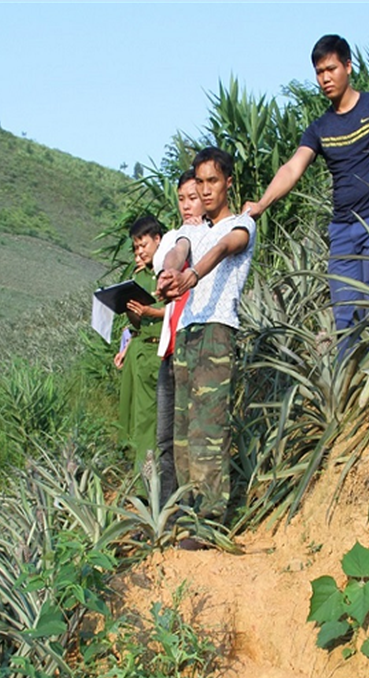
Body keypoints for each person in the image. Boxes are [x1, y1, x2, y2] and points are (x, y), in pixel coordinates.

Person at [243, 34, 369, 347]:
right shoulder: (320, 128)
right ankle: (349, 391)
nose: (325, 78)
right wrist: (262, 204)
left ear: (348, 66)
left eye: (330, 68)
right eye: (319, 72)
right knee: (345, 319)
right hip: (342, 230)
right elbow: (292, 168)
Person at [157, 147, 256, 529]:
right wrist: (170, 273)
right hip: (186, 333)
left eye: (213, 181)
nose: (206, 189)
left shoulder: (242, 223)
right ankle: (187, 512)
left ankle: (210, 518)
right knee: (182, 432)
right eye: (200, 182)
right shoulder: (191, 231)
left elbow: (222, 248)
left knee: (208, 429)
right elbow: (177, 251)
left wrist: (190, 277)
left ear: (228, 182)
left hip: (217, 330)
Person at [151, 170, 207, 501]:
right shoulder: (175, 237)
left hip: (196, 349)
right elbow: (166, 257)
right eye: (182, 199)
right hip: (170, 352)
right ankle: (165, 510)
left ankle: (189, 507)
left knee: (190, 436)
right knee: (165, 438)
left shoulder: (216, 236)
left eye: (193, 198)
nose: (187, 205)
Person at [117, 215, 166, 473]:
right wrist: (129, 305)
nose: (139, 252)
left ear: (157, 239)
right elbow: (137, 323)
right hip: (144, 351)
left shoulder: (170, 270)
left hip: (165, 351)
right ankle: (145, 481)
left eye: (143, 245)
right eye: (136, 248)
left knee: (164, 419)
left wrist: (150, 312)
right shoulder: (140, 278)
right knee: (144, 418)